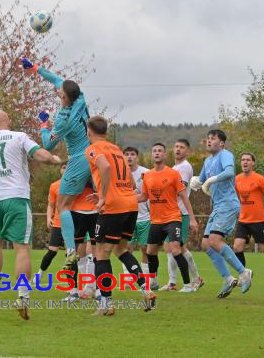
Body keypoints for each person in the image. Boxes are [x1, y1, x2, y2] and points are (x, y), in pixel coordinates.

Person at [0, 110, 61, 321]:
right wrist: (54, 159)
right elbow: (41, 155)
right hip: (16, 198)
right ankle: (22, 297)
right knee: (21, 249)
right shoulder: (18, 136)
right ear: (8, 121)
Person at [20, 58, 91, 275]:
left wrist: (43, 125)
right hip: (93, 153)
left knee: (63, 204)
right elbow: (56, 79)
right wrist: (35, 69)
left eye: (60, 95)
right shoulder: (81, 98)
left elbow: (48, 144)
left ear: (65, 98)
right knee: (89, 203)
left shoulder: (63, 118)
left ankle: (71, 250)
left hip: (79, 160)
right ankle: (87, 244)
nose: (58, 95)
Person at [84, 116, 156, 316]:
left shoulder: (93, 149)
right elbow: (132, 184)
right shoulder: (117, 150)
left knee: (101, 254)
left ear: (89, 131)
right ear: (106, 131)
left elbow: (104, 167)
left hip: (113, 207)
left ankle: (105, 305)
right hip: (130, 204)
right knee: (121, 250)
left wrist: (103, 197)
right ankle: (146, 290)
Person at [190, 129, 253, 298]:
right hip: (218, 206)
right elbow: (202, 180)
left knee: (215, 241)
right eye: (208, 139)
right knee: (206, 244)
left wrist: (212, 179)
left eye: (213, 139)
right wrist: (196, 181)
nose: (209, 141)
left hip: (228, 204)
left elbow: (230, 172)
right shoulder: (207, 161)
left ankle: (244, 272)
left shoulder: (225, 154)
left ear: (222, 143)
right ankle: (227, 279)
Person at [137, 143, 199, 293]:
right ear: (151, 155)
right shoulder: (148, 176)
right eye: (154, 151)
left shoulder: (173, 174)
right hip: (156, 221)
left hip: (172, 218)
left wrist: (192, 219)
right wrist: (123, 198)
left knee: (175, 249)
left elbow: (184, 197)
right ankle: (153, 281)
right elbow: (144, 196)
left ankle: (188, 285)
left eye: (160, 151)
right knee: (150, 252)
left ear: (165, 155)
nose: (157, 153)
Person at [160, 139, 204, 291]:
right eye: (176, 146)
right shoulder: (175, 167)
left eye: (182, 147)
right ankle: (176, 282)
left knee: (177, 248)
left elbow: (181, 189)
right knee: (173, 247)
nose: (178, 149)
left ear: (187, 151)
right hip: (172, 213)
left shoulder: (184, 167)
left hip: (180, 213)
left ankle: (192, 279)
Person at [234, 152, 264, 289]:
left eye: (248, 160)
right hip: (243, 221)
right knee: (237, 247)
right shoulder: (237, 179)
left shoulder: (259, 179)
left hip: (258, 221)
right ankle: (244, 276)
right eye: (243, 160)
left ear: (253, 163)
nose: (245, 162)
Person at [34, 163, 67, 284]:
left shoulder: (76, 184)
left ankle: (71, 284)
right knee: (52, 250)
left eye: (68, 167)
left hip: (72, 224)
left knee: (71, 254)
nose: (66, 169)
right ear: (60, 170)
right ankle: (39, 274)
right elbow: (51, 205)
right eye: (64, 167)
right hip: (58, 223)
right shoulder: (54, 186)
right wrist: (49, 218)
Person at [123, 147, 151, 278]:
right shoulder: (119, 173)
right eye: (126, 154)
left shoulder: (146, 173)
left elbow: (150, 194)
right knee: (126, 247)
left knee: (144, 248)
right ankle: (128, 278)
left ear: (137, 157)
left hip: (144, 217)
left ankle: (146, 277)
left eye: (132, 154)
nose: (129, 157)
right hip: (126, 217)